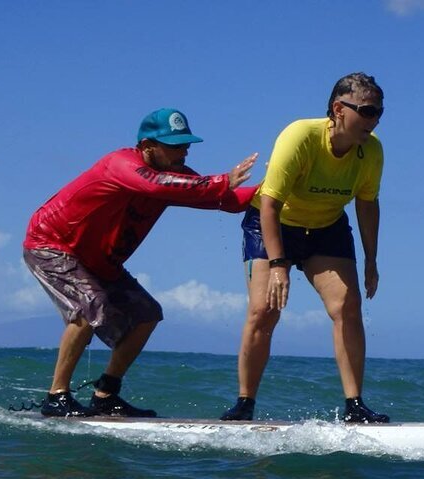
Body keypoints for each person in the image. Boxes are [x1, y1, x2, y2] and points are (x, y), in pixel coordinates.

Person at [23, 108, 258, 417]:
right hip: (52, 244)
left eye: (187, 144)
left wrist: (273, 192)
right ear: (147, 146)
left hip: (99, 260)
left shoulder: (175, 178)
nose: (184, 151)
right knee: (87, 306)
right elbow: (155, 184)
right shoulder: (120, 164)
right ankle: (57, 396)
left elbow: (226, 200)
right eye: (175, 145)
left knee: (147, 314)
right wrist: (221, 180)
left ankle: (106, 393)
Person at [220, 72, 390, 424]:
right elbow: (269, 203)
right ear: (339, 109)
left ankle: (355, 406)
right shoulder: (300, 136)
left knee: (347, 306)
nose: (374, 120)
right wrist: (278, 263)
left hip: (326, 227)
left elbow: (367, 204)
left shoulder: (371, 151)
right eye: (368, 111)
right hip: (272, 223)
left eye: (379, 112)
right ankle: (244, 404)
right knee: (263, 311)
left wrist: (371, 260)